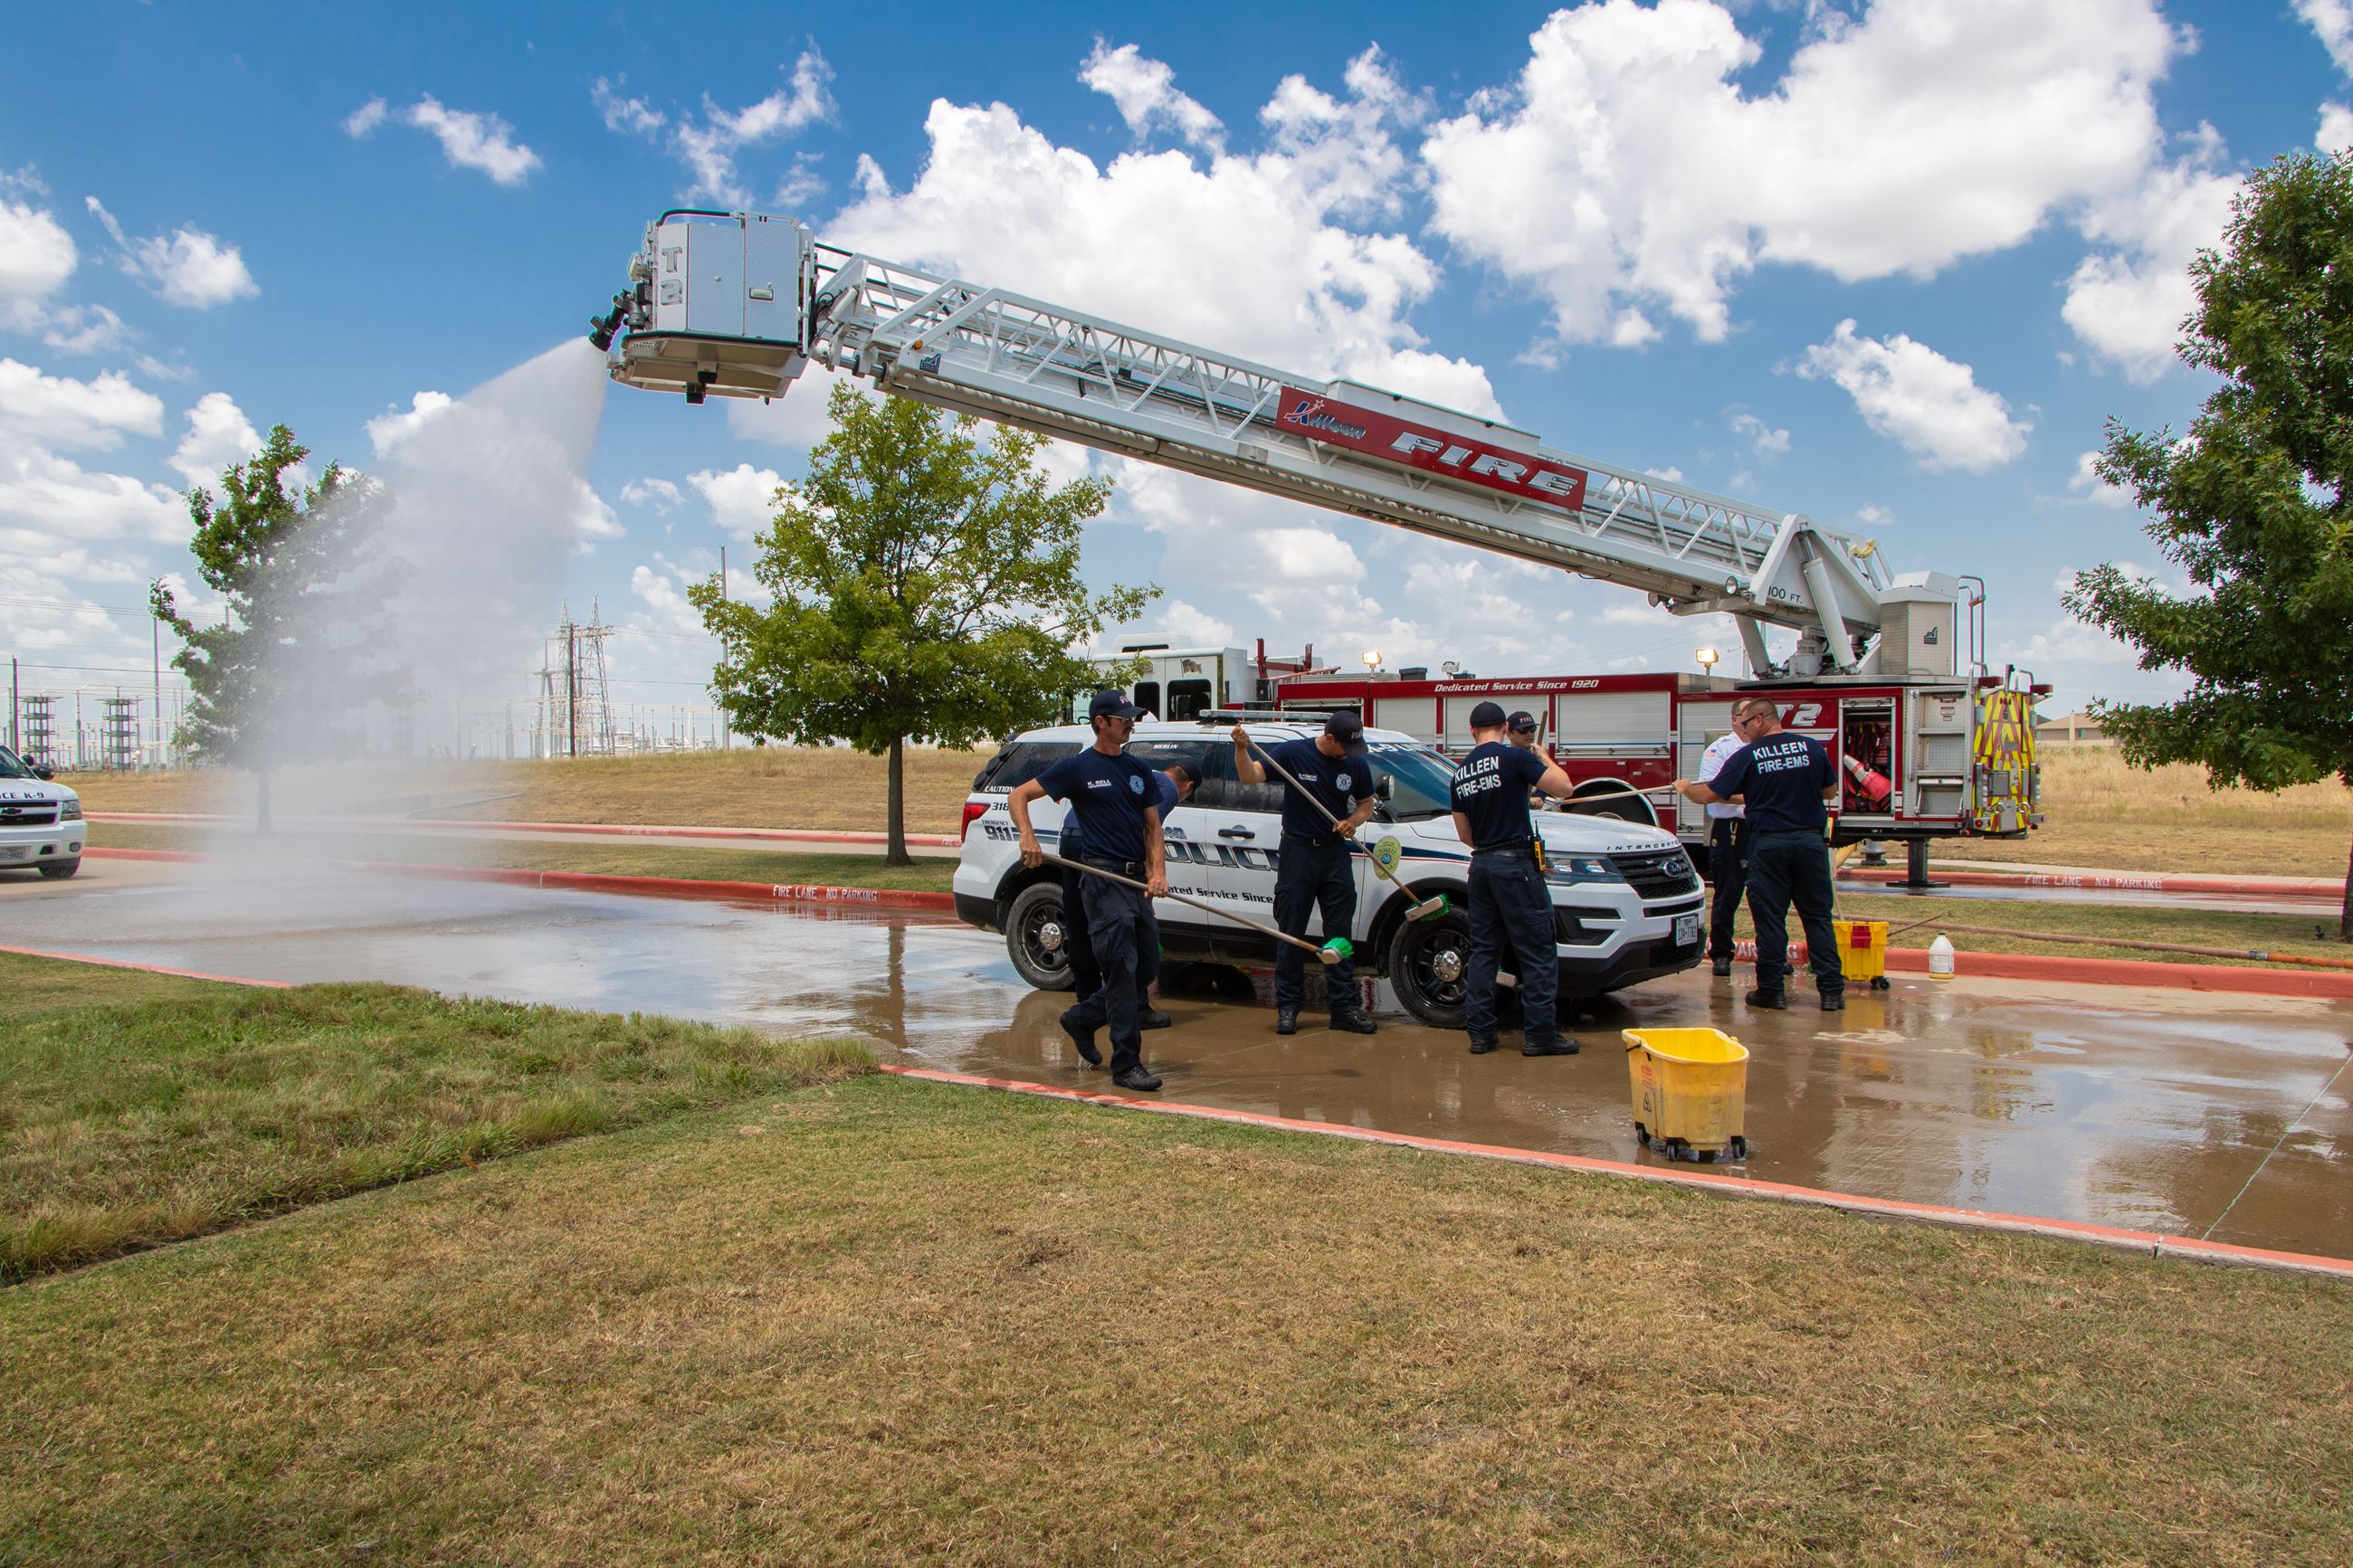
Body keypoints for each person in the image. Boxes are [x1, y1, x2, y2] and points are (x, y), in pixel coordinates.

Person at [1010, 691, 1169, 1090]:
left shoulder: (1138, 769)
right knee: (1121, 970)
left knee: (1146, 967)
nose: (1130, 723)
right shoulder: (1078, 768)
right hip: (1101, 880)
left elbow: (1153, 826)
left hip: (1135, 883)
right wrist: (1027, 837)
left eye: (1132, 717)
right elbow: (1019, 796)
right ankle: (1126, 1065)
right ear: (1101, 721)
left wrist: (1158, 872)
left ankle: (1081, 1018)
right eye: (1123, 718)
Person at [1673, 697, 1844, 1012]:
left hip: (1770, 845)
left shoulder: (1749, 756)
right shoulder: (1811, 748)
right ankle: (1832, 991)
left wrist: (1685, 788)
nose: (1743, 729)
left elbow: (1710, 793)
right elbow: (1830, 791)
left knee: (1770, 918)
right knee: (1818, 917)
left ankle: (1770, 990)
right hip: (1809, 844)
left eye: (1746, 724)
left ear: (1761, 720)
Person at [1232, 712, 1380, 1036]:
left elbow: (1366, 802)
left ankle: (1343, 1008)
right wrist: (1242, 749)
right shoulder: (1292, 753)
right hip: (1298, 853)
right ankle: (1288, 1008)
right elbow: (1250, 776)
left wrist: (1353, 821)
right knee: (1292, 931)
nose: (1348, 755)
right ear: (1329, 737)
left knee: (1339, 932)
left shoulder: (1354, 762)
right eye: (1344, 747)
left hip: (1334, 853)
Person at [1448, 699, 1580, 1057]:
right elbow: (1565, 789)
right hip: (1516, 866)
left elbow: (1464, 834)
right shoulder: (1516, 758)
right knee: (1537, 951)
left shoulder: (1460, 774)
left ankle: (1480, 1035)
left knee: (1484, 953)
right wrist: (1543, 755)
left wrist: (1492, 847)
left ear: (1471, 730)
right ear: (1505, 729)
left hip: (1482, 867)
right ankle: (1540, 1035)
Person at [1055, 761, 1196, 1033]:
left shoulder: (1135, 774)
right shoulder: (1166, 788)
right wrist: (1150, 878)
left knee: (1081, 924)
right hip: (1100, 849)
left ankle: (1087, 1007)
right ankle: (1138, 1009)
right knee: (1129, 929)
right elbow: (1149, 831)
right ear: (1187, 787)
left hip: (1071, 839)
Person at [1695, 708, 1754, 979]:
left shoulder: (1765, 748)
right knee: (1728, 893)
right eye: (1744, 714)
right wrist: (1752, 798)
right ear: (1734, 719)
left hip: (1760, 827)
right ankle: (1721, 954)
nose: (1750, 720)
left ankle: (1772, 953)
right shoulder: (1720, 750)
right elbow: (1713, 791)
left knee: (1767, 895)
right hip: (1731, 829)